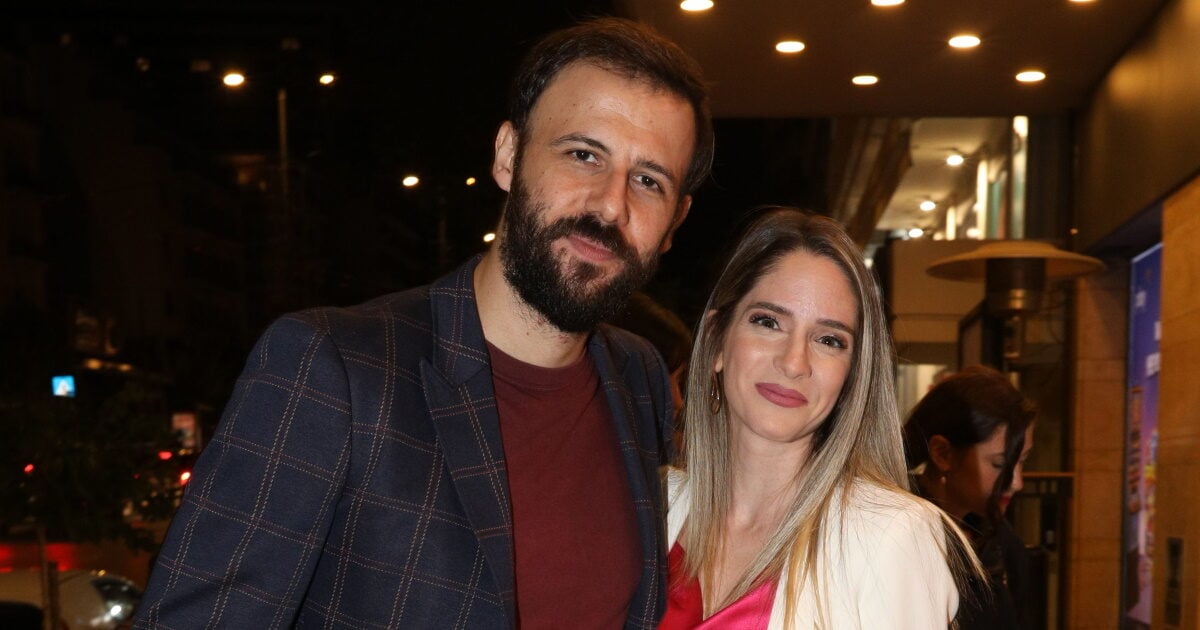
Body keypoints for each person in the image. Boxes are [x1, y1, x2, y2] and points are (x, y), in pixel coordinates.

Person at [134, 17, 713, 629]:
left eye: (648, 180)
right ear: (508, 156)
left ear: (675, 221)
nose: (611, 204)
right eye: (583, 155)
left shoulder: (640, 377)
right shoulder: (332, 368)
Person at [660, 208, 975, 629]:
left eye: (829, 340)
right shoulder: (654, 505)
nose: (794, 362)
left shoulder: (891, 536)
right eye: (768, 322)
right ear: (717, 339)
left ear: (852, 375)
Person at [903, 365, 1038, 630]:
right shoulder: (897, 534)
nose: (1016, 483)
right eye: (1000, 464)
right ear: (943, 454)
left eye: (1022, 461)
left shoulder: (1003, 543)